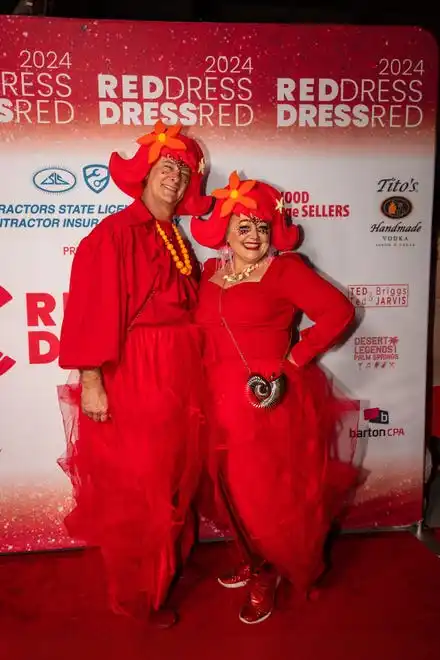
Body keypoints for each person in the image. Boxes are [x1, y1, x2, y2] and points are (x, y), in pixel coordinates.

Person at [57, 120, 212, 628]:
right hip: (139, 369)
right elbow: (91, 312)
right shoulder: (115, 235)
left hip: (181, 369)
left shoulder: (175, 236)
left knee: (171, 477)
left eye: (183, 171)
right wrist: (93, 380)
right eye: (166, 166)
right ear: (144, 175)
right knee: (144, 481)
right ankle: (144, 590)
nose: (175, 176)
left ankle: (165, 571)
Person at [191, 172, 359, 625]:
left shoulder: (285, 270)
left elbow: (339, 313)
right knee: (228, 490)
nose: (254, 235)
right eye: (243, 225)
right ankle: (252, 557)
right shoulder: (211, 274)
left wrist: (293, 361)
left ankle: (272, 571)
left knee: (265, 494)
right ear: (224, 231)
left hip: (265, 402)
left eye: (262, 226)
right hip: (215, 398)